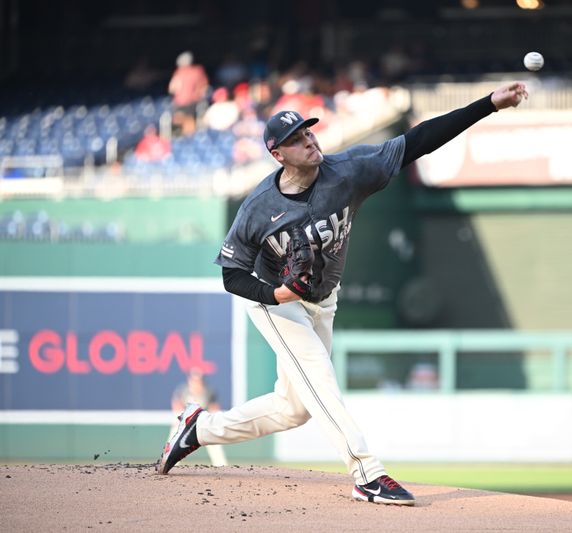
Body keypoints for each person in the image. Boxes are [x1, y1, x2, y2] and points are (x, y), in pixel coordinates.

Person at [155, 81, 529, 506]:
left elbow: (419, 140)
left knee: (293, 409)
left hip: (322, 298)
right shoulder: (258, 208)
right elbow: (232, 275)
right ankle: (367, 472)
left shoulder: (348, 170)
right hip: (272, 302)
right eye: (295, 140)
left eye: (308, 131)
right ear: (278, 155)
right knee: (320, 379)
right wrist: (275, 294)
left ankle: (198, 428)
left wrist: (488, 105)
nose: (308, 140)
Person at [169, 368, 228, 467]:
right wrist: (181, 420)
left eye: (198, 381)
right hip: (186, 422)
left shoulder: (208, 391)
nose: (196, 383)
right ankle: (170, 464)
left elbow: (214, 408)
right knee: (174, 434)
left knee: (214, 438)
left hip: (202, 422)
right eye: (194, 380)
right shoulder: (183, 390)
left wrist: (211, 421)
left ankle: (221, 466)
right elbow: (177, 406)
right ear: (189, 380)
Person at [168, 51, 209, 136]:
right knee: (185, 123)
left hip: (186, 102)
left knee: (185, 123)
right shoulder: (195, 71)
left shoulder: (185, 72)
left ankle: (187, 139)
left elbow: (172, 89)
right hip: (186, 102)